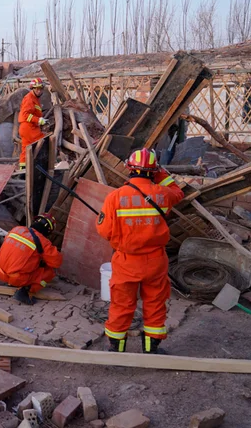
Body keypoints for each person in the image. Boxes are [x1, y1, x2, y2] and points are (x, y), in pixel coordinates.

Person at [96, 148, 185, 354]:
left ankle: (116, 349)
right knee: (155, 303)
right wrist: (161, 174)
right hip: (155, 261)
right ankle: (151, 349)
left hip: (126, 261)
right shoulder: (163, 195)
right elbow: (178, 192)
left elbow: (104, 230)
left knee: (121, 305)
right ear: (153, 171)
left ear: (129, 168)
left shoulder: (115, 197)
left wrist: (121, 239)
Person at [0, 213, 62, 305]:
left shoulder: (16, 229)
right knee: (50, 272)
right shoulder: (43, 242)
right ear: (48, 231)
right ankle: (25, 290)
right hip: (16, 278)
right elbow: (57, 262)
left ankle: (11, 279)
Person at [17, 78, 48, 170]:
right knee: (43, 141)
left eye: (40, 89)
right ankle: (43, 167)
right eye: (36, 89)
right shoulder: (29, 98)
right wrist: (38, 120)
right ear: (33, 88)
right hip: (28, 127)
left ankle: (23, 171)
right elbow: (25, 114)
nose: (38, 91)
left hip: (26, 127)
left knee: (25, 150)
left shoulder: (34, 98)